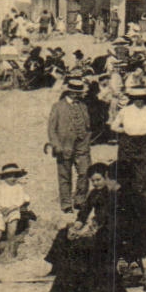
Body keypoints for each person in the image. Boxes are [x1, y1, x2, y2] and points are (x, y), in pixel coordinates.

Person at [44, 163, 124, 292]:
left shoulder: (112, 194)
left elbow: (104, 218)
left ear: (106, 178)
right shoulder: (93, 193)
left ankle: (72, 276)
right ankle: (58, 268)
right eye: (93, 181)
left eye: (98, 180)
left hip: (105, 229)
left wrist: (85, 232)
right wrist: (77, 225)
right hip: (95, 226)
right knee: (64, 233)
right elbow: (85, 211)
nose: (95, 183)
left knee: (79, 243)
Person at [44, 77, 93, 212]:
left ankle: (80, 200)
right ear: (69, 92)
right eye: (75, 92)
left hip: (82, 146)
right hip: (64, 146)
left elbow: (88, 126)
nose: (77, 95)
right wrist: (56, 145)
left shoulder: (83, 106)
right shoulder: (58, 106)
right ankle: (66, 203)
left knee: (85, 172)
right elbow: (51, 129)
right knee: (65, 176)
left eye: (79, 92)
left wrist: (87, 139)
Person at [114, 78, 146, 203]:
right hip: (128, 142)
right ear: (132, 99)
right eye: (137, 99)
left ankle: (143, 199)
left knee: (144, 170)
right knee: (127, 169)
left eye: (142, 98)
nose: (139, 101)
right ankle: (128, 198)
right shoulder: (125, 110)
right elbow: (114, 126)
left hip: (145, 142)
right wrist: (124, 130)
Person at [0, 163, 33, 264]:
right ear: (4, 177)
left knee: (11, 232)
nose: (12, 178)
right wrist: (1, 208)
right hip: (0, 211)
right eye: (9, 176)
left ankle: (10, 253)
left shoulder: (19, 187)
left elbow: (20, 200)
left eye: (15, 176)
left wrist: (11, 208)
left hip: (13, 211)